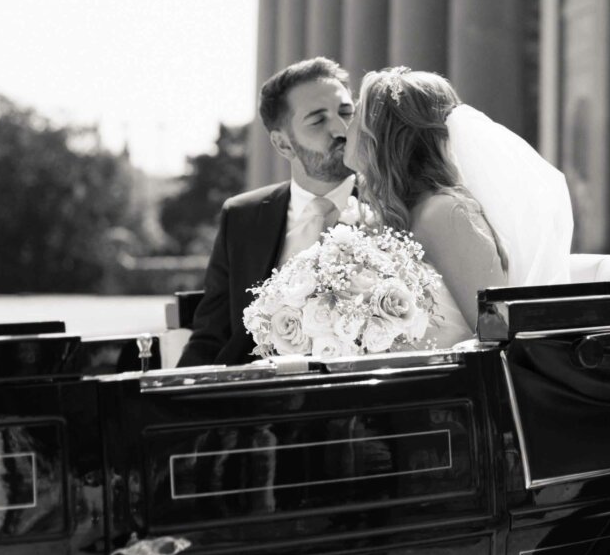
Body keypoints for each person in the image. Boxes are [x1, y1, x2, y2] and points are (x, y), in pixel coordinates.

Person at [343, 68, 573, 347]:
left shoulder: (443, 213)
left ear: (381, 132)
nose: (346, 125)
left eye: (355, 113)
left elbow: (497, 329)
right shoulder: (395, 212)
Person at [178, 57, 356, 367]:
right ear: (283, 144)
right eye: (317, 120)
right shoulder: (241, 217)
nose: (341, 130)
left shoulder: (394, 204)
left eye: (346, 112)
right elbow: (211, 337)